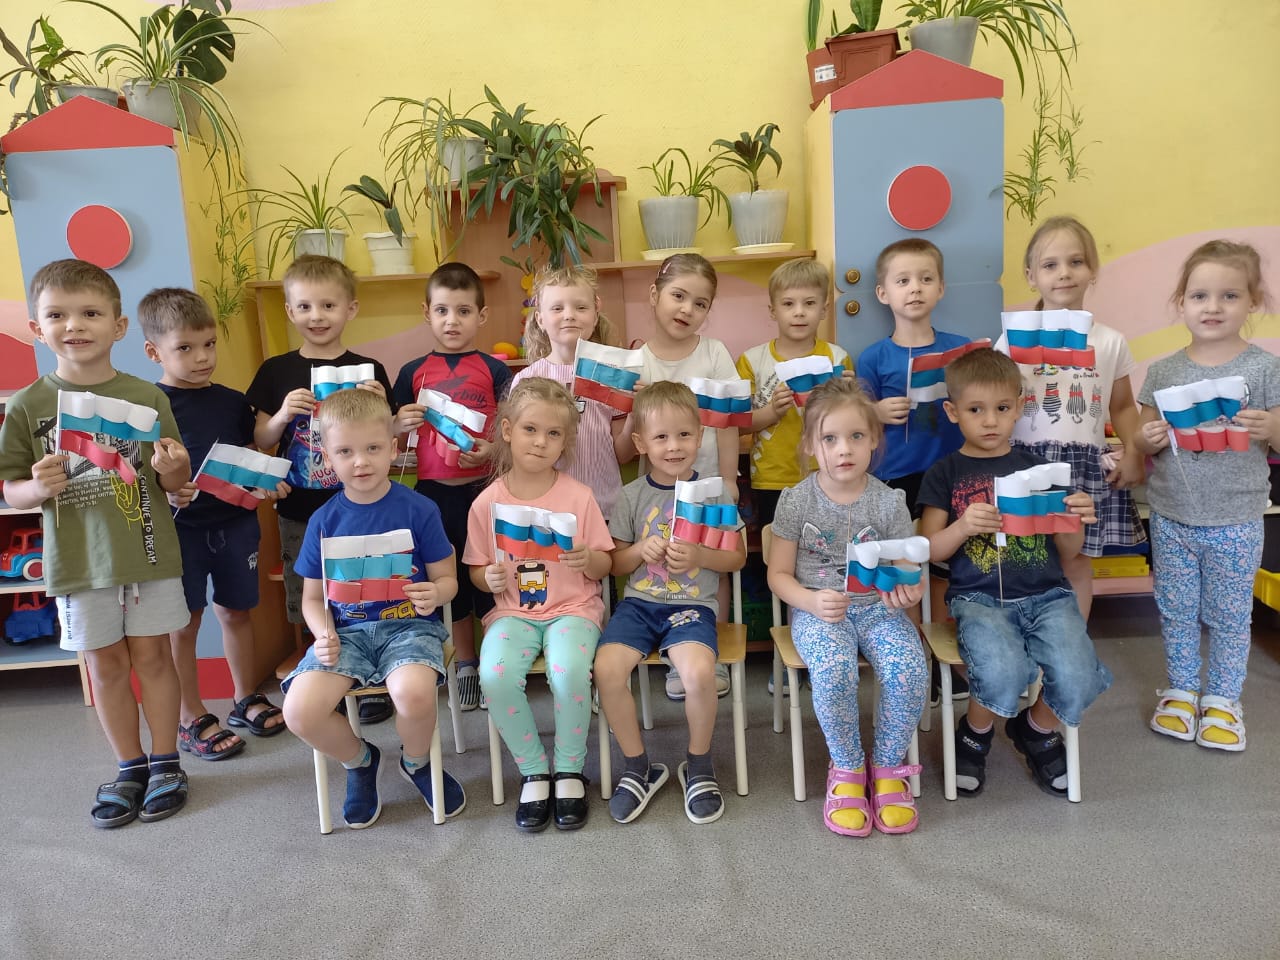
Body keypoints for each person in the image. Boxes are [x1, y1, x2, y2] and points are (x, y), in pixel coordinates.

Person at [0, 259, 193, 827]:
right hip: (78, 561)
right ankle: (129, 767)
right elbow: (11, 491)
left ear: (119, 325)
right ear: (37, 329)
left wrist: (176, 469)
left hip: (148, 554)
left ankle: (166, 763)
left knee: (154, 657)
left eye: (89, 313)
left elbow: (174, 480)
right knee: (104, 666)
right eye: (57, 315)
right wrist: (36, 487)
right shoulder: (27, 405)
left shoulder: (146, 396)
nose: (74, 325)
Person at [918, 348, 1110, 798]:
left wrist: (1074, 519)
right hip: (979, 599)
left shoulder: (1040, 471)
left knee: (1080, 675)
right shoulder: (945, 473)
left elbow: (1070, 552)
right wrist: (963, 526)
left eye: (1002, 408)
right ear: (952, 412)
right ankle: (975, 734)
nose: (990, 421)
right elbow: (927, 550)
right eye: (975, 410)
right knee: (1003, 670)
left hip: (1048, 596)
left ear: (1020, 407)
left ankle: (1035, 730)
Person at [280, 389, 464, 828]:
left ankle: (416, 762)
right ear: (327, 457)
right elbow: (312, 599)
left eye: (373, 449)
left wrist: (436, 593)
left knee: (413, 695)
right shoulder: (323, 521)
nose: (360, 461)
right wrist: (323, 632)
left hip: (410, 629)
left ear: (393, 448)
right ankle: (361, 761)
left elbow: (448, 580)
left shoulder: (419, 509)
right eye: (345, 451)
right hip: (347, 634)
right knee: (299, 711)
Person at [1134, 240, 1280, 752]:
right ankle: (1180, 691)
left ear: (1253, 301)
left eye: (1229, 295)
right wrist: (1146, 437)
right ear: (1182, 302)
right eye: (1199, 296)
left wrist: (1272, 428)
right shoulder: (1164, 371)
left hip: (1237, 518)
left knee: (1230, 615)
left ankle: (1222, 700)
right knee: (1175, 610)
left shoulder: (1265, 368)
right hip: (1172, 515)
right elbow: (1143, 438)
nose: (1212, 307)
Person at [766, 378, 927, 836]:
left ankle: (888, 767)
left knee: (909, 668)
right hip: (817, 610)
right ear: (810, 446)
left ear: (874, 439)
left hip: (878, 609)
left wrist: (909, 591)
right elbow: (778, 575)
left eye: (856, 436)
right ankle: (848, 767)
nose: (844, 449)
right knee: (834, 669)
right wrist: (810, 600)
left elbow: (905, 570)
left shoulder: (889, 501)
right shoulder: (797, 501)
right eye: (830, 438)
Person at [245, 255, 395, 724]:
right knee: (311, 592)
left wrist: (381, 406)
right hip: (301, 507)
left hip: (363, 506)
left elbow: (388, 436)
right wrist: (282, 414)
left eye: (328, 305)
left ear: (351, 309)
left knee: (367, 586)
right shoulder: (275, 371)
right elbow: (262, 438)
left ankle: (371, 679)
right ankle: (326, 670)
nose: (317, 316)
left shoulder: (368, 368)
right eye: (305, 306)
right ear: (290, 311)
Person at [140, 287, 287, 760]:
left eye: (208, 344)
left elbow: (248, 456)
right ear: (154, 352)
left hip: (236, 524)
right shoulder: (149, 408)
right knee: (184, 622)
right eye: (185, 347)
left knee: (237, 611)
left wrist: (263, 484)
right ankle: (191, 715)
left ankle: (245, 697)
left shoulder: (231, 402)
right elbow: (138, 477)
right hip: (180, 532)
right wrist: (167, 490)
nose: (202, 357)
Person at [463, 378, 613, 832]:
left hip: (574, 608)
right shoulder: (487, 503)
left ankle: (569, 769)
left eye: (553, 434)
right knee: (495, 674)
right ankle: (533, 770)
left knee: (569, 672)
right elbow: (476, 568)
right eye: (530, 429)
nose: (540, 442)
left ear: (566, 442)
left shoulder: (579, 496)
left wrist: (589, 559)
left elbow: (605, 563)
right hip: (513, 613)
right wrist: (486, 577)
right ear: (508, 430)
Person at [595, 381, 747, 826]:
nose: (674, 446)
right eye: (661, 437)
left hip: (692, 608)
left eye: (683, 435)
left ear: (700, 436)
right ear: (641, 443)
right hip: (639, 606)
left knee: (698, 674)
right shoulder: (630, 496)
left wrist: (700, 556)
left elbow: (737, 557)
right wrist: (640, 551)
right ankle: (637, 766)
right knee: (606, 670)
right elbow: (614, 564)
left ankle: (699, 764)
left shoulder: (715, 494)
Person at [998, 216, 1146, 620]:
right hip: (1023, 461)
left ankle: (1073, 642)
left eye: (1076, 262)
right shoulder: (1013, 337)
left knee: (1076, 561)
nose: (1064, 273)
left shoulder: (1110, 341)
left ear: (1092, 269)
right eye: (1050, 265)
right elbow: (994, 400)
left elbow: (1122, 406)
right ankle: (1025, 639)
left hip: (1082, 466)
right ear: (1031, 276)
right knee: (1023, 558)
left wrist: (1134, 453)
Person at [615, 253, 736, 701]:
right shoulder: (636, 361)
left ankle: (707, 647)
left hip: (707, 485)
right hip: (657, 489)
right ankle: (670, 651)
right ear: (655, 295)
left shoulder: (714, 352)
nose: (687, 309)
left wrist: (729, 479)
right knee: (664, 559)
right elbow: (623, 450)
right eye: (678, 296)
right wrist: (635, 409)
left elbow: (727, 421)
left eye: (700, 303)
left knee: (710, 563)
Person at [393, 262, 512, 711]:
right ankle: (466, 664)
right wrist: (398, 424)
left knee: (490, 577)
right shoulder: (411, 372)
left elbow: (510, 432)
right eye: (442, 310)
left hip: (485, 490)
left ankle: (497, 661)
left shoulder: (495, 371)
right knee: (452, 579)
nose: (452, 321)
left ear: (481, 316)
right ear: (427, 312)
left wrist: (491, 451)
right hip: (433, 496)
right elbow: (392, 438)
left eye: (463, 311)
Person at [857, 238, 972, 700]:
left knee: (944, 572)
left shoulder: (960, 350)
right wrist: (876, 412)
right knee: (904, 573)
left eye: (926, 279)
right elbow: (855, 423)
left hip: (951, 476)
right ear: (883, 293)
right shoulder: (873, 357)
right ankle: (916, 663)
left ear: (941, 288)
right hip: (895, 480)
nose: (915, 288)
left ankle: (947, 665)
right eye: (903, 280)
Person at [736, 258, 851, 529]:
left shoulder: (837, 358)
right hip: (772, 478)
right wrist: (772, 412)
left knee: (826, 543)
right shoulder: (752, 361)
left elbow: (852, 423)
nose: (799, 312)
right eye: (788, 304)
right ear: (773, 310)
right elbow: (737, 426)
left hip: (829, 472)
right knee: (777, 545)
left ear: (824, 309)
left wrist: (848, 398)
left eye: (809, 303)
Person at [512, 263, 625, 522]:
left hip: (604, 506)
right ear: (540, 318)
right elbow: (518, 451)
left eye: (581, 307)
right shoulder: (527, 380)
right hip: (547, 510)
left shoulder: (612, 375)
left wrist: (635, 409)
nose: (569, 315)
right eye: (557, 308)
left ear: (596, 313)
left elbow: (622, 453)